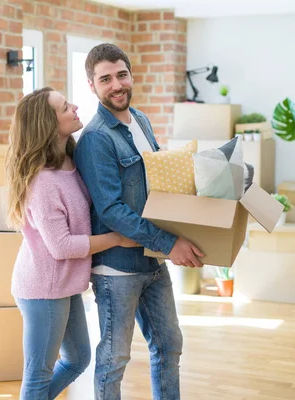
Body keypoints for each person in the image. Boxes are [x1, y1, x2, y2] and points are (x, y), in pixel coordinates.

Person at [73, 43, 205, 400]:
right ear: (92, 85)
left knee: (169, 344)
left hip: (151, 260)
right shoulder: (96, 139)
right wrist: (170, 242)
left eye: (121, 75)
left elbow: (156, 184)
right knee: (115, 357)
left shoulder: (141, 119)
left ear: (131, 75)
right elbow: (112, 210)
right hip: (117, 270)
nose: (116, 85)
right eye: (105, 79)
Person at [5, 86, 138, 400]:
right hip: (43, 289)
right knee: (38, 375)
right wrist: (118, 238)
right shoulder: (43, 182)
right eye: (65, 107)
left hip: (63, 285)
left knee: (78, 358)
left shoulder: (70, 161)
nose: (75, 107)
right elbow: (61, 246)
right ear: (48, 125)